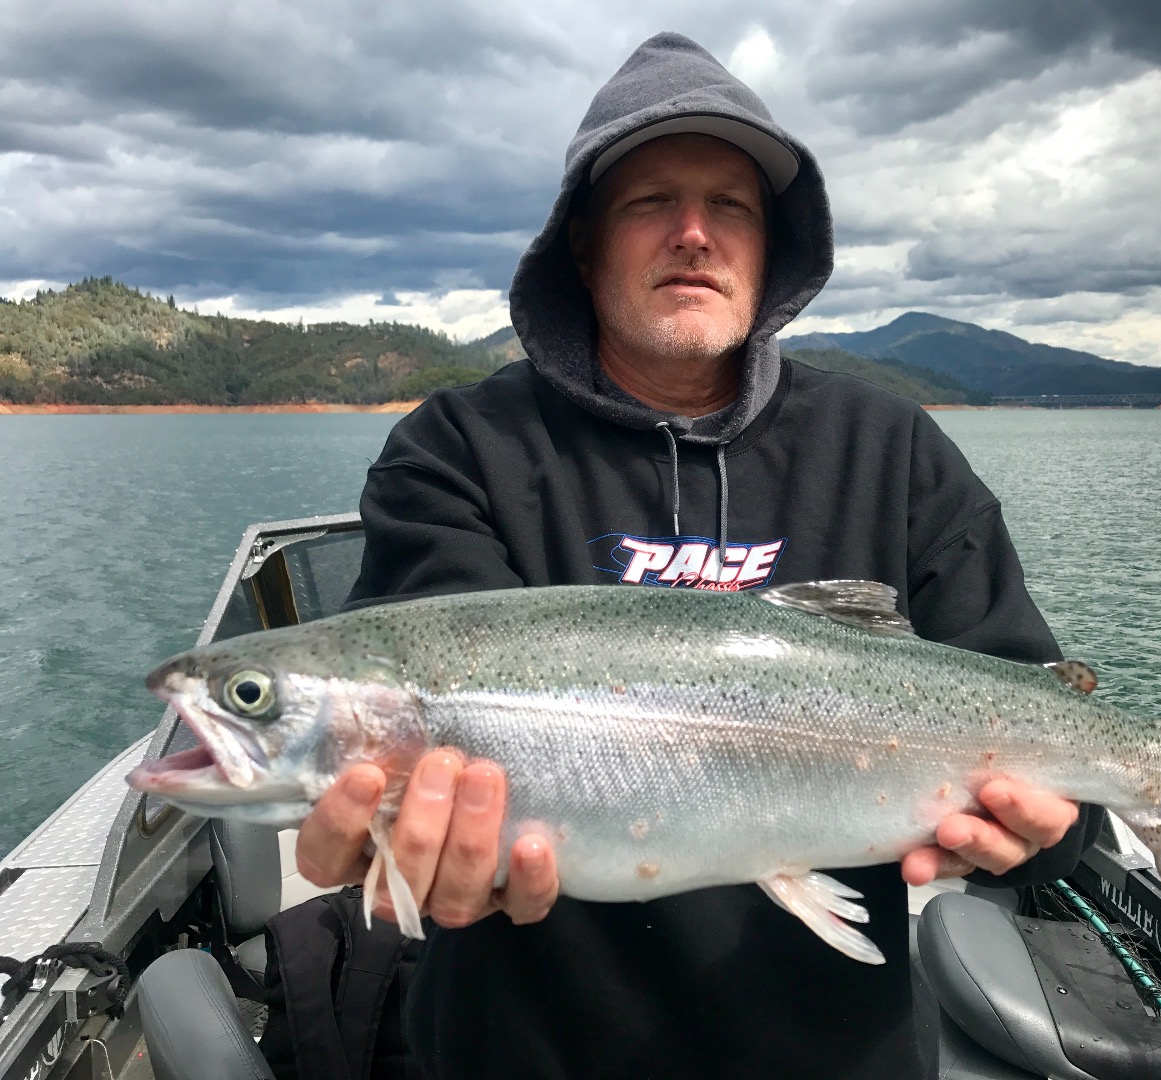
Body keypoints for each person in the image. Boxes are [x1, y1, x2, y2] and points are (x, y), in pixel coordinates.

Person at [295, 32, 1101, 1079]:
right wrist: (419, 837)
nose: (693, 233)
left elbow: (1049, 750)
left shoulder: (892, 449)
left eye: (730, 205)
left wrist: (1050, 827)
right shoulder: (456, 451)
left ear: (772, 248)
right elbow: (441, 722)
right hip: (524, 1054)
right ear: (580, 245)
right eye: (648, 202)